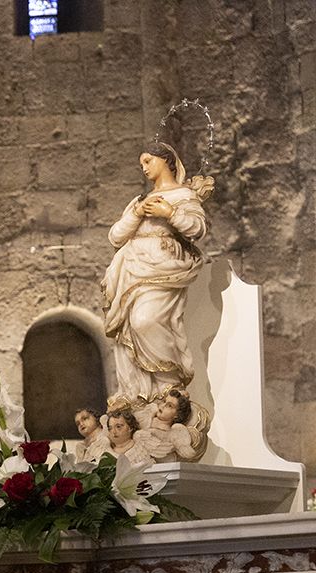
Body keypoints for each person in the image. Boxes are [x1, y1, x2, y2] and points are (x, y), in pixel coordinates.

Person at [102, 142, 211, 407]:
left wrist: (170, 213)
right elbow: (115, 236)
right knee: (127, 329)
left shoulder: (183, 196)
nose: (144, 168)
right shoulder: (139, 201)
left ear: (167, 160)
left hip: (162, 266)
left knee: (145, 320)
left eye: (148, 161)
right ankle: (137, 393)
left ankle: (168, 386)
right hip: (131, 269)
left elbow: (197, 228)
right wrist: (137, 215)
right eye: (141, 164)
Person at [132, 387, 205, 464]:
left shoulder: (173, 432)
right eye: (164, 401)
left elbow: (188, 454)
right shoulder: (149, 416)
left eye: (169, 406)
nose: (163, 406)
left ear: (177, 415)